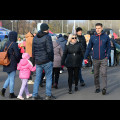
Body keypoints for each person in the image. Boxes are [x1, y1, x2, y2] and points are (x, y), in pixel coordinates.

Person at [84, 23, 111, 95]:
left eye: (99, 28)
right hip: (95, 59)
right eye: (96, 28)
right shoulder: (93, 37)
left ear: (102, 28)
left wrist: (107, 56)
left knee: (104, 73)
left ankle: (104, 88)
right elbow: (89, 48)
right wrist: (85, 57)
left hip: (103, 59)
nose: (97, 29)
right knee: (96, 74)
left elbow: (109, 47)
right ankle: (97, 87)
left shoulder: (106, 37)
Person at [32, 23, 56, 100]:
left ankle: (34, 95)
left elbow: (33, 50)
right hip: (46, 60)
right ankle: (48, 95)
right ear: (46, 29)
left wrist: (34, 60)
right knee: (49, 78)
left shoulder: (35, 37)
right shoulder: (47, 37)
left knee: (37, 78)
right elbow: (50, 50)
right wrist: (51, 59)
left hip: (38, 61)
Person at [0, 31, 20, 98]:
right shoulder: (14, 44)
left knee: (9, 77)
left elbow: (3, 51)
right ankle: (11, 93)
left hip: (6, 63)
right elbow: (17, 55)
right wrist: (18, 61)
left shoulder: (6, 43)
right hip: (12, 63)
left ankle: (3, 89)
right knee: (12, 79)